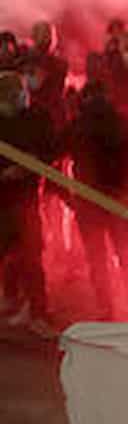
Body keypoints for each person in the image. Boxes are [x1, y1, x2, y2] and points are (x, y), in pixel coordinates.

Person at [64, 81, 128, 321]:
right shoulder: (124, 121)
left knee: (97, 259)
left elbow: (53, 154)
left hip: (89, 200)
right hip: (117, 197)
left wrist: (69, 195)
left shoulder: (78, 124)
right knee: (127, 257)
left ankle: (106, 309)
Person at [0, 72, 58, 333]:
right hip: (2, 200)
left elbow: (50, 149)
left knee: (32, 257)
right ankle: (13, 299)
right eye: (12, 95)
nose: (20, 98)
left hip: (26, 200)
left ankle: (37, 312)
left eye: (20, 93)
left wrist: (32, 163)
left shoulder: (36, 118)